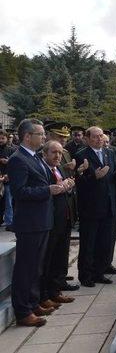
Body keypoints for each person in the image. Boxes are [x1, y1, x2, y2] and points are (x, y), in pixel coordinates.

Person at [7, 118, 73, 327]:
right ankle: (23, 311)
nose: (44, 137)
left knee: (36, 267)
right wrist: (48, 190)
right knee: (26, 268)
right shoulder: (18, 159)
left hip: (43, 219)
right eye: (40, 134)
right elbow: (19, 192)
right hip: (30, 222)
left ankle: (33, 302)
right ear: (27, 136)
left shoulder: (35, 158)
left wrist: (59, 185)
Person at [75, 127, 116, 287]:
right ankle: (86, 275)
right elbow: (78, 181)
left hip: (109, 204)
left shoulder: (109, 153)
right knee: (89, 243)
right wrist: (93, 176)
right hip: (91, 206)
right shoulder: (81, 155)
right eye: (95, 137)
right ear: (87, 139)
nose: (99, 139)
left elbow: (113, 176)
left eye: (101, 136)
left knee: (105, 241)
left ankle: (99, 272)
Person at [39, 141, 76, 308]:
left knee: (60, 257)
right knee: (49, 258)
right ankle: (44, 294)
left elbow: (63, 188)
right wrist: (57, 188)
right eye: (53, 152)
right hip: (51, 220)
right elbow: (48, 190)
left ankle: (55, 291)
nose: (57, 156)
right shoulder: (43, 170)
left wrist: (68, 186)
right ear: (44, 154)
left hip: (65, 218)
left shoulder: (59, 168)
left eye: (60, 153)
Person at [0, 129, 17, 230]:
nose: (1, 140)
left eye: (3, 138)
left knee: (8, 202)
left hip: (7, 179)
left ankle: (9, 221)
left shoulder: (11, 150)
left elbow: (15, 164)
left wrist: (8, 162)